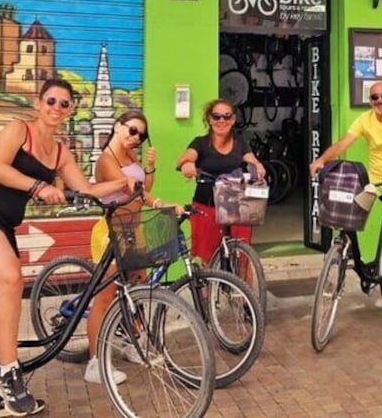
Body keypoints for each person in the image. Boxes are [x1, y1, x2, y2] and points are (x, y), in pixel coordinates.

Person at [0, 79, 133, 417]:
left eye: (64, 104)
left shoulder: (61, 151)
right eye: (51, 100)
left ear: (72, 109)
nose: (56, 108)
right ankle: (9, 376)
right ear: (38, 102)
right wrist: (38, 186)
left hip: (2, 225)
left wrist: (124, 181)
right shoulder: (20, 130)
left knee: (3, 293)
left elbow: (87, 189)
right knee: (10, 279)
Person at [308, 82, 382, 319]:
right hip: (375, 180)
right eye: (374, 98)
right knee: (348, 212)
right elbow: (342, 144)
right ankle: (357, 260)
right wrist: (321, 160)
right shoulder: (365, 120)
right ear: (369, 100)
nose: (380, 101)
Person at [85, 110, 165, 385]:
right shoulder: (107, 159)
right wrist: (149, 196)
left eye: (141, 135)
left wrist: (151, 169)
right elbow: (133, 190)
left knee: (138, 289)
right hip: (112, 232)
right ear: (118, 126)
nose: (136, 138)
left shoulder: (131, 155)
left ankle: (133, 343)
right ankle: (94, 363)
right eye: (132, 131)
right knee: (106, 298)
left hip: (135, 229)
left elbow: (144, 189)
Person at [175, 99, 265, 264]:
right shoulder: (200, 143)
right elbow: (186, 157)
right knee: (207, 257)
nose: (221, 121)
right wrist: (187, 164)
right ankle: (207, 289)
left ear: (232, 120)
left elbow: (251, 160)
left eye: (226, 116)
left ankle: (244, 289)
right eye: (216, 116)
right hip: (207, 205)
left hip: (236, 206)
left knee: (242, 255)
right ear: (209, 119)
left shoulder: (240, 142)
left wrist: (258, 166)